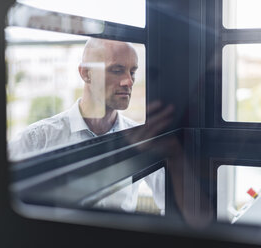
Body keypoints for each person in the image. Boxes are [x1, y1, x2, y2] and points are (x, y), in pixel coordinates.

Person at [9, 38, 164, 213]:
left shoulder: (140, 136)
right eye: (117, 70)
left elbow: (174, 203)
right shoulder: (36, 140)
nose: (128, 82)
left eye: (132, 71)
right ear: (86, 73)